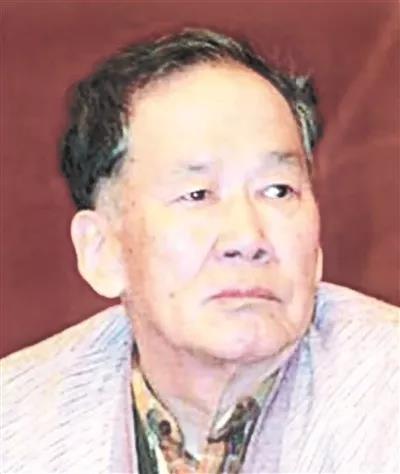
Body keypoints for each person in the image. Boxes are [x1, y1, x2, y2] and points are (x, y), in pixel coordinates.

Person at [1, 28, 398, 474]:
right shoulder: (15, 424)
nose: (247, 238)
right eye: (197, 195)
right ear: (102, 251)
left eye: (279, 190)